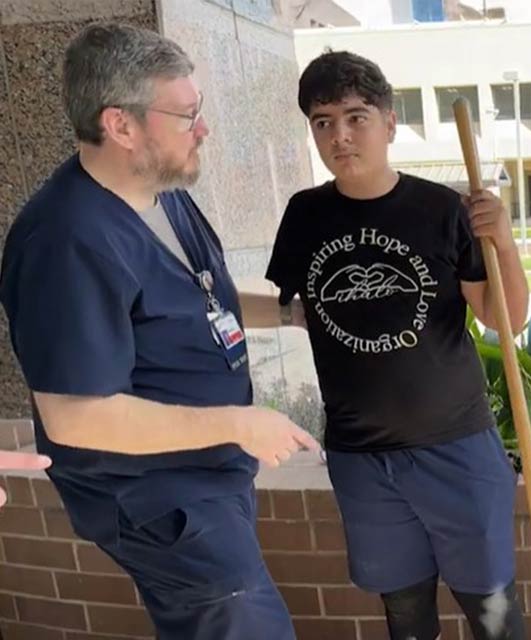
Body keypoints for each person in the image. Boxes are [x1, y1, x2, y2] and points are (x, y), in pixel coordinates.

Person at [0, 23, 320, 639]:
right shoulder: (66, 241)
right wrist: (237, 423)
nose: (204, 129)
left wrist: (290, 314)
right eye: (187, 114)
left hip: (207, 478)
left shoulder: (161, 191)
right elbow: (74, 416)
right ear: (121, 125)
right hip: (157, 501)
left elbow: (201, 297)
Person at [263, 49, 529, 640]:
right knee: (406, 617)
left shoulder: (440, 209)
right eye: (323, 121)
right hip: (361, 459)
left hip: (455, 447)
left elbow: (502, 319)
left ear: (389, 121)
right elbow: (295, 307)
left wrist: (505, 244)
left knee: (493, 616)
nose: (340, 135)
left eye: (356, 117)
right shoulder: (304, 216)